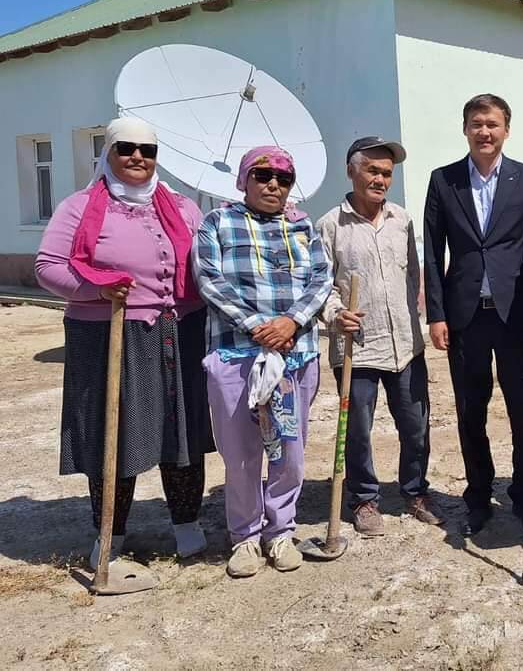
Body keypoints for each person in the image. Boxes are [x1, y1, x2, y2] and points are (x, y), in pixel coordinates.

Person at [35, 116, 213, 566]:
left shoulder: (182, 207)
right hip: (109, 331)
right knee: (114, 432)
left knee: (182, 428)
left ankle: (187, 523)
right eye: (126, 148)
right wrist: (97, 290)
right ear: (108, 153)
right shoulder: (79, 207)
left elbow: (206, 265)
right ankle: (110, 533)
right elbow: (48, 267)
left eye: (147, 150)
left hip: (180, 329)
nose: (137, 157)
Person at [194, 146, 332, 578]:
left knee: (289, 450)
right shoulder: (217, 222)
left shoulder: (303, 226)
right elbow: (209, 279)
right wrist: (257, 326)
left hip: (295, 354)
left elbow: (321, 278)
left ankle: (281, 531)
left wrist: (291, 321)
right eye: (263, 175)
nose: (274, 184)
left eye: (284, 178)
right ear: (244, 180)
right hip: (237, 353)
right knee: (240, 453)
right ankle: (245, 537)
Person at [424, 94, 523, 537]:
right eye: (476, 123)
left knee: (521, 410)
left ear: (506, 130)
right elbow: (432, 251)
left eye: (492, 124)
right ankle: (477, 497)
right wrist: (436, 314)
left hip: (515, 316)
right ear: (465, 129)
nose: (484, 132)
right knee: (470, 410)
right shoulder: (444, 180)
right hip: (465, 317)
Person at [317, 136, 444, 536]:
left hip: (404, 345)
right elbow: (320, 286)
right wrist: (335, 314)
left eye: (387, 173)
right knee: (357, 430)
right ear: (350, 171)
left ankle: (415, 491)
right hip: (357, 348)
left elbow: (413, 276)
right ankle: (364, 499)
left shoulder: (401, 220)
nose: (380, 180)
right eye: (372, 170)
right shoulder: (330, 225)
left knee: (416, 426)